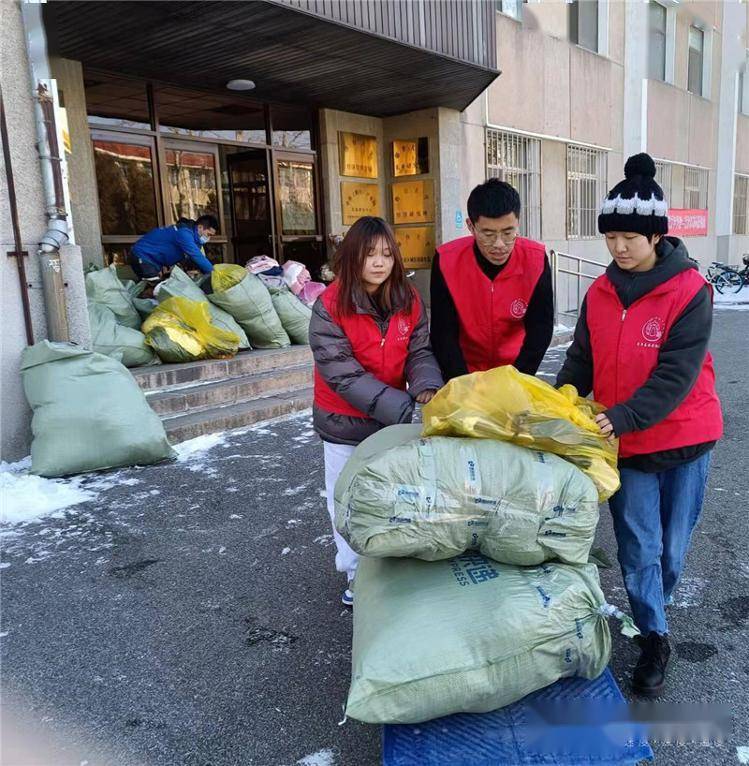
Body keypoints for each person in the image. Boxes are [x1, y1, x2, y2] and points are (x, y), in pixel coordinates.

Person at [556, 153, 723, 698]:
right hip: (624, 446)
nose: (619, 248)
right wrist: (556, 402)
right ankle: (654, 635)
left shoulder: (690, 292)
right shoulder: (600, 293)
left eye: (629, 237)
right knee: (637, 547)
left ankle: (658, 604)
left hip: (686, 439)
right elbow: (581, 359)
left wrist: (622, 414)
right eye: (611, 237)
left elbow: (676, 374)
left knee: (672, 550)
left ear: (655, 236)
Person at [309, 217, 444, 606]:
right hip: (343, 424)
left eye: (387, 253)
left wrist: (426, 384)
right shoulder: (330, 306)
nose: (380, 262)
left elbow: (419, 350)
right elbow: (343, 375)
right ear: (353, 256)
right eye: (370, 254)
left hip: (387, 420)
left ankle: (389, 568)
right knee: (346, 499)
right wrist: (401, 405)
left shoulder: (407, 298)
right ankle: (355, 573)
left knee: (391, 496)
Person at [430, 179, 554, 381]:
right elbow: (443, 332)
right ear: (471, 226)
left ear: (518, 223)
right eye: (488, 234)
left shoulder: (535, 259)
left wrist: (516, 380)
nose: (499, 244)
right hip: (464, 371)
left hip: (516, 370)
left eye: (508, 233)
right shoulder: (447, 260)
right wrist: (463, 384)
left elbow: (540, 329)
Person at [129, 214, 218, 280]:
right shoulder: (184, 233)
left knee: (155, 290)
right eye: (208, 234)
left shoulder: (193, 238)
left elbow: (191, 259)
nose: (208, 238)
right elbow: (197, 256)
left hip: (152, 261)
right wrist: (215, 274)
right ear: (200, 227)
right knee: (155, 291)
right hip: (143, 256)